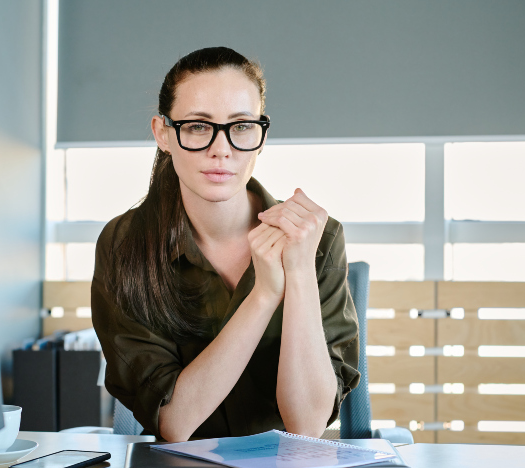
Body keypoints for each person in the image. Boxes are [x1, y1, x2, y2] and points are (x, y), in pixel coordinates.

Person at [91, 47, 360, 442]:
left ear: (261, 135)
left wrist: (298, 271)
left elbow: (307, 426)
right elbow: (175, 424)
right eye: (198, 126)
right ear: (163, 133)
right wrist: (264, 296)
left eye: (242, 126)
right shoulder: (124, 244)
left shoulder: (316, 237)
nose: (222, 148)